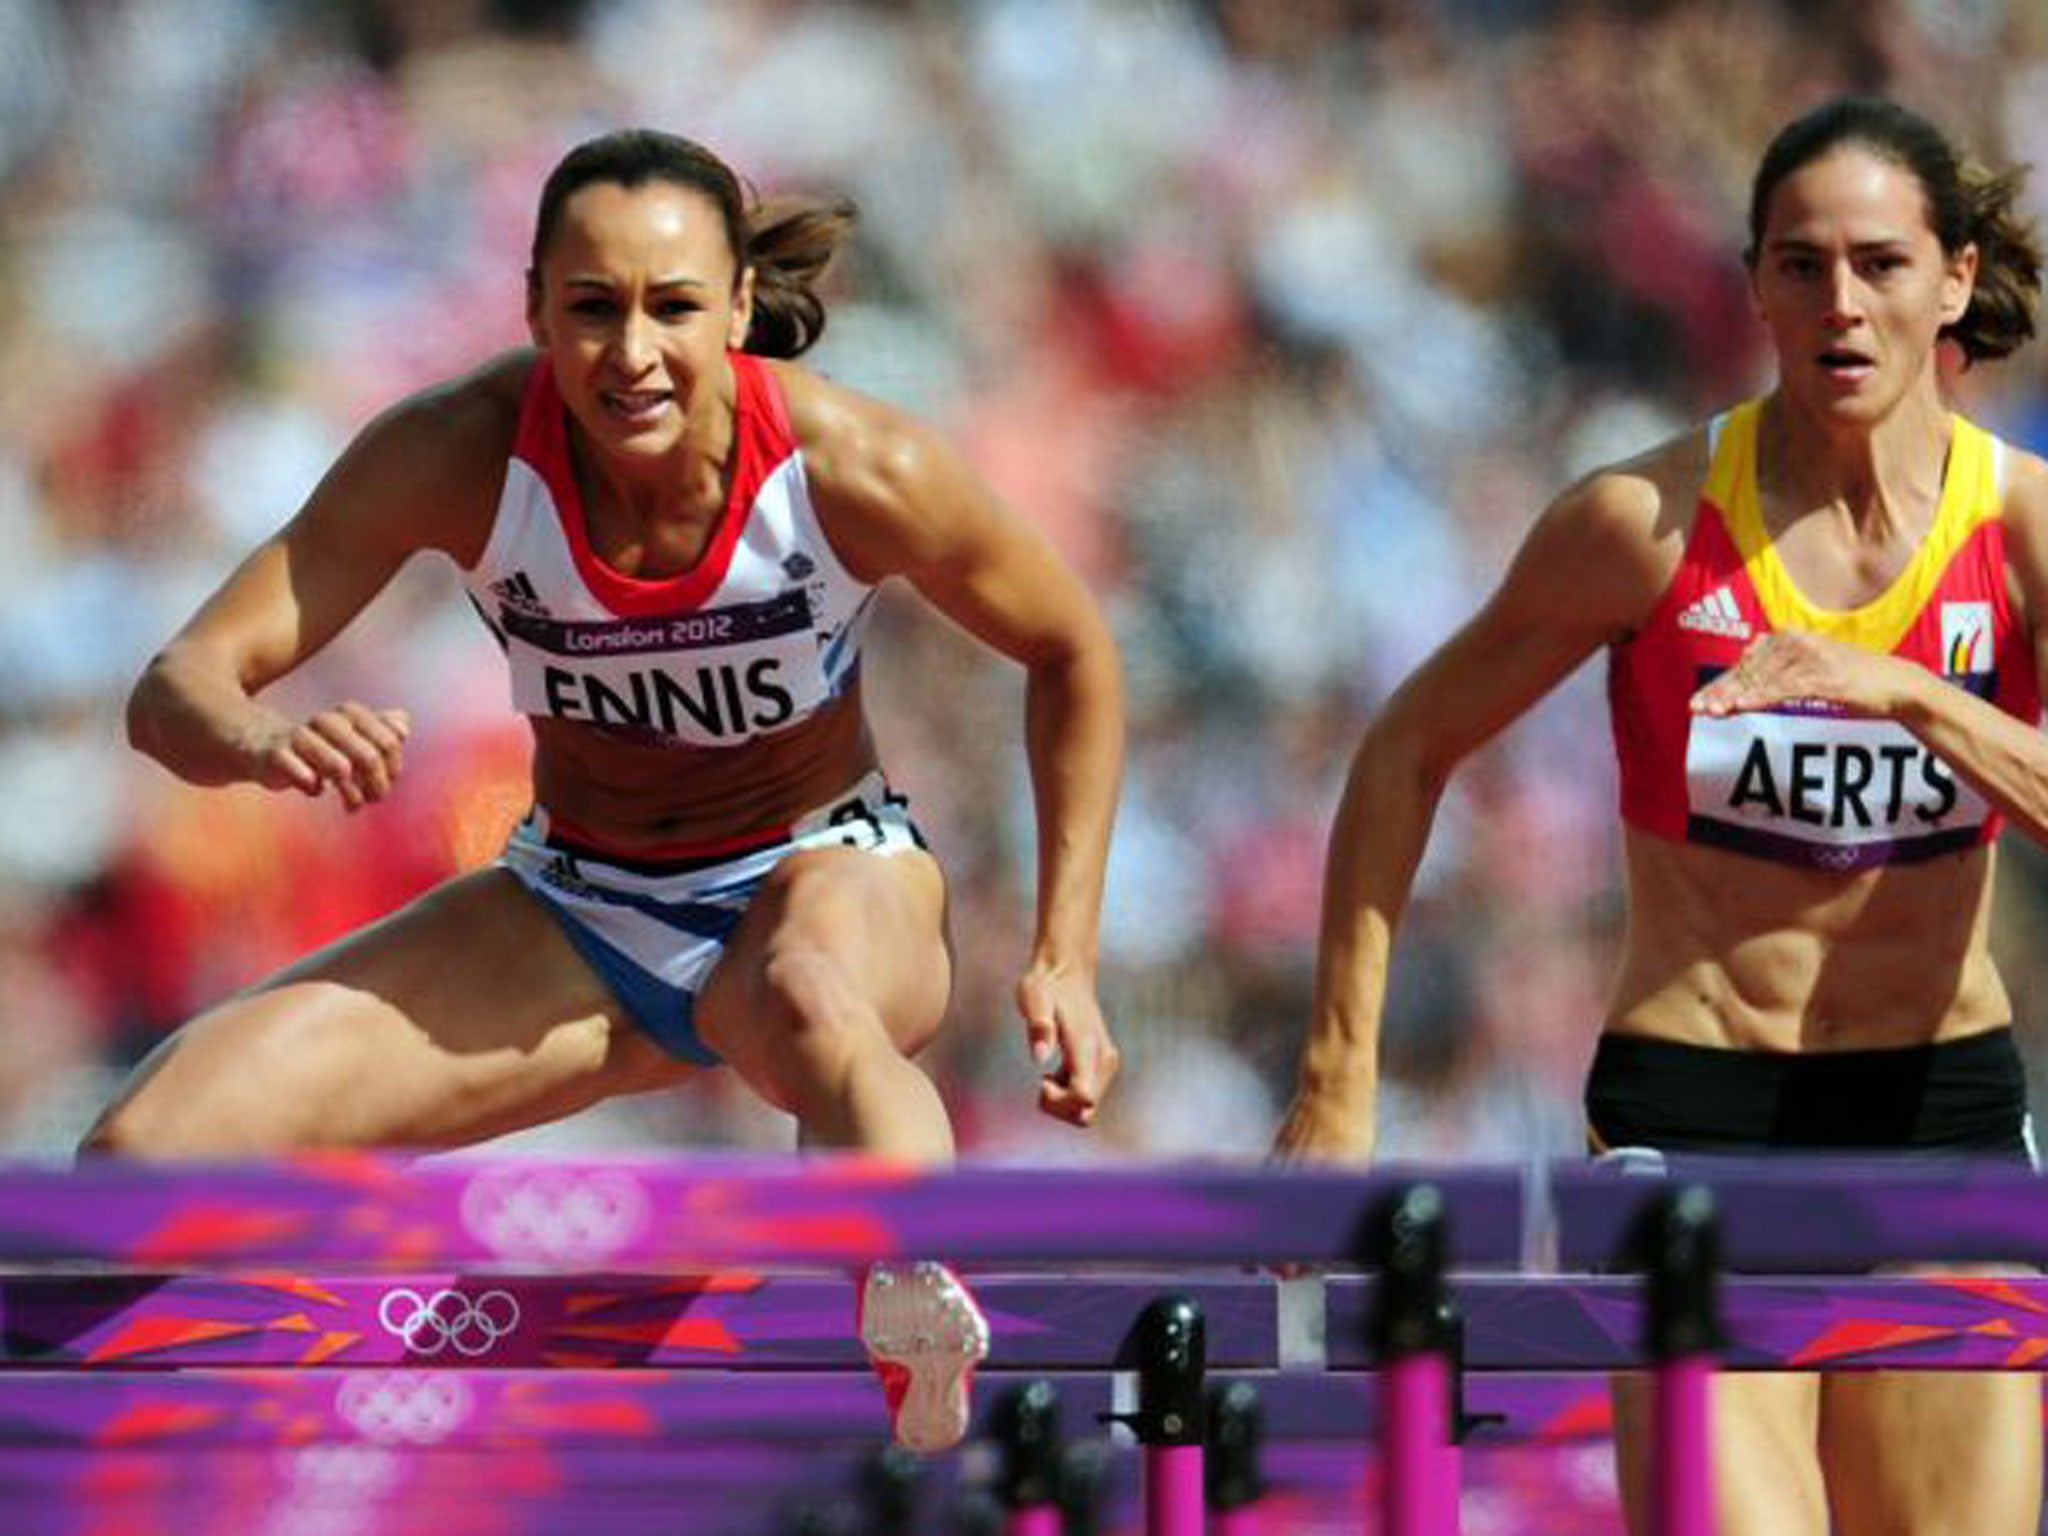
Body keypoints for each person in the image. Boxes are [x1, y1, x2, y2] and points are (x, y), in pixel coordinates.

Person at [84, 127, 1126, 1452]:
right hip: (578, 908)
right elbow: (176, 684)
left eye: (674, 308)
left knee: (811, 999)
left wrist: (1066, 954)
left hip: (817, 874)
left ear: (741, 308)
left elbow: (1071, 647)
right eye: (591, 310)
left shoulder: (853, 469)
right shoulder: (456, 453)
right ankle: (182, 1451)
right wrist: (250, 737)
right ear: (532, 306)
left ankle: (908, 1299)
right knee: (140, 1162)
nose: (632, 355)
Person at [1274, 95, 2045, 1535]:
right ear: (1752, 283)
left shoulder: (2018, 532)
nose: (1842, 304)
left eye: (1881, 265)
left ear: (1953, 281)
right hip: (1702, 1123)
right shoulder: (1645, 525)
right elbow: (1404, 752)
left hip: (1941, 1121)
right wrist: (1338, 1077)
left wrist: (1916, 697)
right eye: (1801, 265)